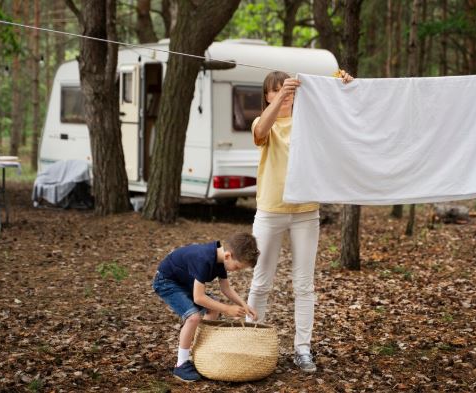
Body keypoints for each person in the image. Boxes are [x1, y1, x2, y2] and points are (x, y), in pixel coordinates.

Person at [247, 70, 354, 373]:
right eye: (276, 91)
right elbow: (261, 131)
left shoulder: (309, 123)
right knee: (261, 281)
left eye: (288, 90)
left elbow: (339, 115)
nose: (284, 95)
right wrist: (281, 97)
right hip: (270, 211)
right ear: (267, 95)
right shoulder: (263, 123)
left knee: (304, 285)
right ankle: (250, 338)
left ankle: (302, 349)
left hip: (306, 212)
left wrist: (342, 84)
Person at [152, 232, 260, 382]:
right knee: (193, 317)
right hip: (166, 282)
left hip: (183, 282)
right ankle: (181, 364)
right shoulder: (204, 259)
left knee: (213, 308)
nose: (235, 270)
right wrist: (227, 309)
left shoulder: (221, 259)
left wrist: (244, 305)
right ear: (228, 256)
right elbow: (199, 297)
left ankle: (200, 354)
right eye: (236, 267)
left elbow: (226, 289)